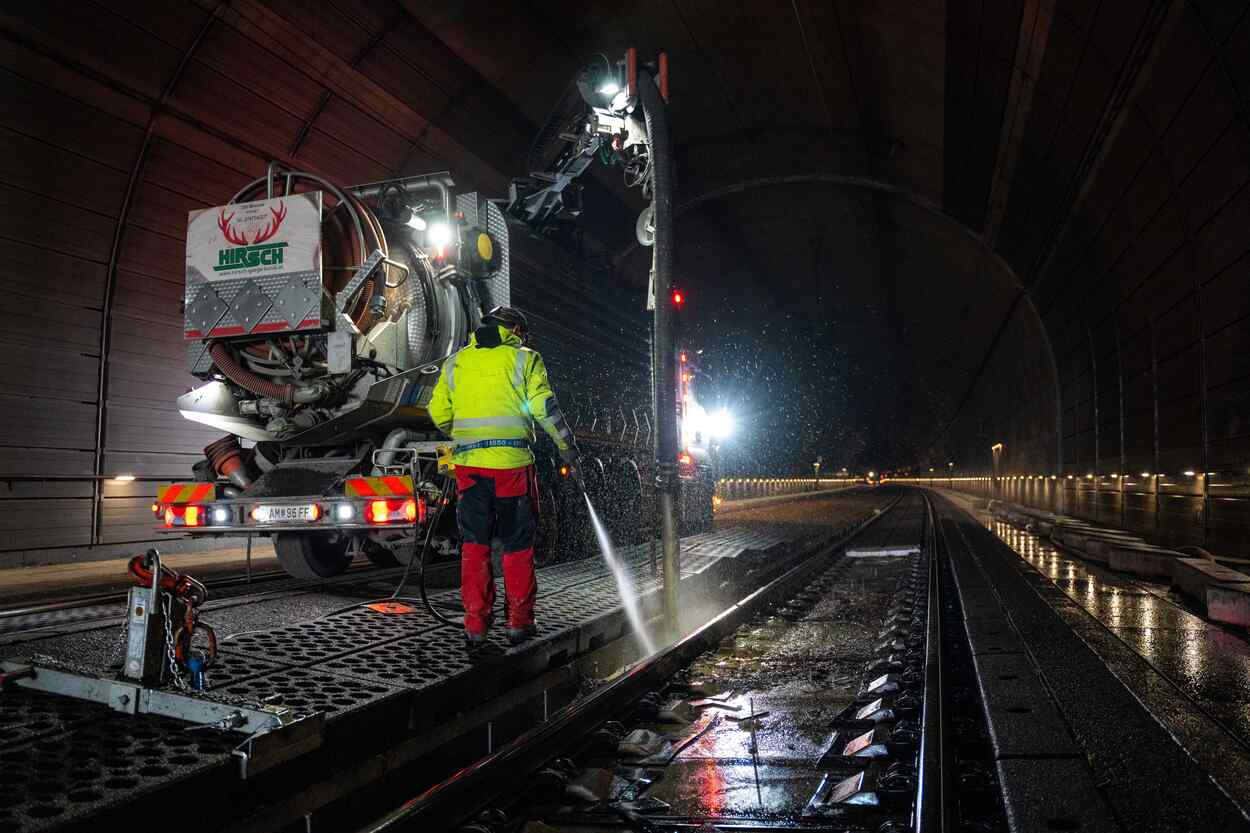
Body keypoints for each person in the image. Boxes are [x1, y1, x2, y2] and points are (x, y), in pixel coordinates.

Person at [428, 306, 581, 650]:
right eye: (522, 333)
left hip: (470, 469)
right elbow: (544, 407)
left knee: (475, 546)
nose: (524, 339)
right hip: (512, 467)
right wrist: (566, 446)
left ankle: (476, 627)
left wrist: (466, 435)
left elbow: (437, 412)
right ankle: (519, 624)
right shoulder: (525, 359)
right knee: (516, 545)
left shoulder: (456, 362)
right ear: (513, 329)